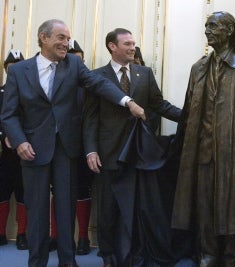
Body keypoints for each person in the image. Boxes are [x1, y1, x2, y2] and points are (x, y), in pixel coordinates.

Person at [0, 19, 145, 267]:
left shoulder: (74, 64)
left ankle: (68, 261)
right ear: (43, 38)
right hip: (32, 149)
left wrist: (127, 101)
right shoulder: (18, 71)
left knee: (66, 209)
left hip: (66, 149)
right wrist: (20, 140)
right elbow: (9, 114)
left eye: (67, 38)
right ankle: (37, 261)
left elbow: (99, 84)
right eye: (61, 37)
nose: (66, 43)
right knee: (36, 211)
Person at [171, 11, 235, 266]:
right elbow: (189, 109)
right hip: (202, 153)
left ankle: (233, 258)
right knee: (205, 209)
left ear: (228, 31)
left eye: (213, 26)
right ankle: (207, 255)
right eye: (206, 26)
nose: (207, 31)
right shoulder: (199, 68)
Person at [82, 28, 182, 267]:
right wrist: (91, 150)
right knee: (107, 208)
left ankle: (135, 253)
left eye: (133, 43)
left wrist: (190, 116)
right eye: (126, 43)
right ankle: (108, 255)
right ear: (111, 46)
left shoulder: (144, 74)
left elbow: (159, 105)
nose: (132, 48)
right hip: (108, 152)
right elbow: (90, 118)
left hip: (138, 152)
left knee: (137, 206)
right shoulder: (97, 76)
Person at [48, 39, 94, 255]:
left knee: (82, 190)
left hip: (84, 147)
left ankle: (83, 237)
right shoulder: (53, 81)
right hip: (58, 147)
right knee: (57, 193)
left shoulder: (89, 85)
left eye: (79, 60)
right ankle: (56, 237)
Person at [0, 49, 28, 250]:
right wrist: (4, 136)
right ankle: (1, 233)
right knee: (1, 193)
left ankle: (22, 234)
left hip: (25, 152)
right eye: (10, 68)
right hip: (3, 154)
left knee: (23, 194)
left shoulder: (30, 94)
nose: (14, 71)